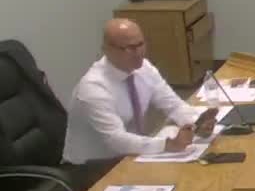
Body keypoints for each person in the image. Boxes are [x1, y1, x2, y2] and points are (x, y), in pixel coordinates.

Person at [63, 19, 217, 167]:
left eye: (141, 44)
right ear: (107, 50)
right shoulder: (93, 88)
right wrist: (168, 144)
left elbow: (173, 105)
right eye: (130, 48)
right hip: (93, 167)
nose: (139, 53)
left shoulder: (144, 68)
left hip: (131, 155)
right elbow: (116, 140)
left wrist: (196, 123)